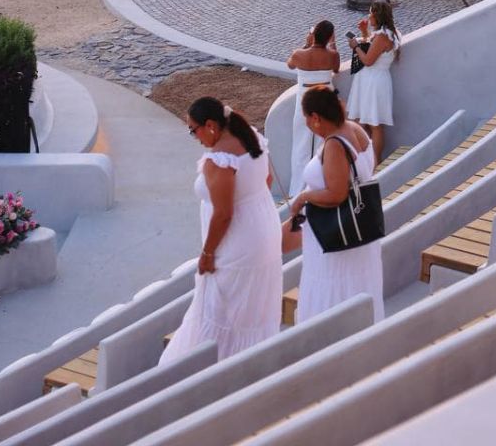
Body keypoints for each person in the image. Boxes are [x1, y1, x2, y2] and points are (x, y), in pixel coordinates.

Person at [160, 97, 282, 366]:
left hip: (236, 245)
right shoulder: (252, 137)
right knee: (254, 310)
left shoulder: (219, 160)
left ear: (210, 125)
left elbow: (224, 214)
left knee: (220, 310)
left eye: (193, 130)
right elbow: (267, 179)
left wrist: (207, 253)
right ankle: (252, 365)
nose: (195, 137)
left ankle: (213, 370)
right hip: (264, 232)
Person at [283, 87, 383, 323]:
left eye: (306, 118)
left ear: (315, 117)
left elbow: (337, 194)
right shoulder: (356, 129)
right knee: (356, 286)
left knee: (331, 289)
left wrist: (303, 198)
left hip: (335, 238)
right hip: (358, 232)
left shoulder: (335, 144)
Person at [287, 20, 341, 195]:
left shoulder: (298, 54)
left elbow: (290, 64)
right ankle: (320, 185)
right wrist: (333, 44)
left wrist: (306, 44)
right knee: (323, 144)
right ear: (329, 37)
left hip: (304, 100)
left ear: (313, 34)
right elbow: (336, 69)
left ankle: (297, 189)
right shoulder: (332, 55)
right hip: (326, 99)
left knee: (300, 145)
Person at [346, 0, 400, 166]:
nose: (368, 16)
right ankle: (369, 161)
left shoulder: (382, 36)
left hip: (373, 82)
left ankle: (375, 162)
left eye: (371, 13)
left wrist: (355, 46)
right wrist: (364, 32)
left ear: (378, 16)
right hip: (373, 81)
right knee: (368, 121)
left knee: (374, 123)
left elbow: (368, 60)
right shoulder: (387, 33)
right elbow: (372, 46)